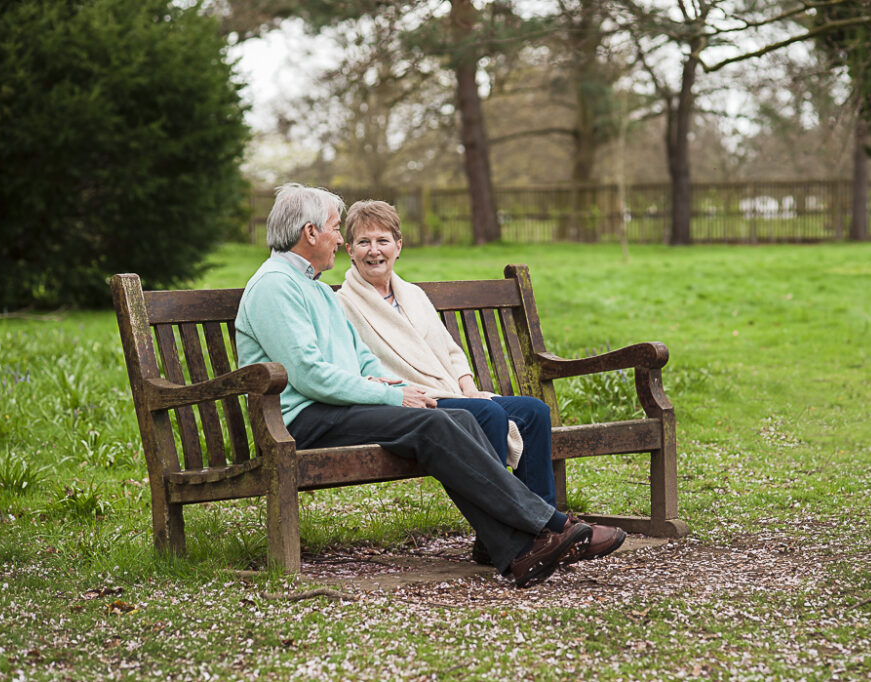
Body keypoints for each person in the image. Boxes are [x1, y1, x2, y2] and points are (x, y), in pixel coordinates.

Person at [234, 183, 625, 587]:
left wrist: (386, 382)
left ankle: (518, 549)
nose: (339, 239)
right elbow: (308, 376)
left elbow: (361, 358)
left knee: (454, 416)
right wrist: (392, 394)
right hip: (301, 421)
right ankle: (552, 527)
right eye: (336, 229)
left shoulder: (315, 287)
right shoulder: (275, 286)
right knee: (435, 425)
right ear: (310, 232)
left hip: (335, 409)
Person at [335, 200, 622, 566]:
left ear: (399, 246)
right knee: (488, 415)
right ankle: (511, 534)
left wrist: (468, 386)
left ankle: (545, 532)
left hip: (453, 392)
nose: (374, 251)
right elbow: (359, 368)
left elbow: (451, 351)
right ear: (349, 250)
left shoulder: (413, 296)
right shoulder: (344, 304)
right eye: (363, 242)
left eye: (382, 240)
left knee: (533, 411)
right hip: (412, 401)